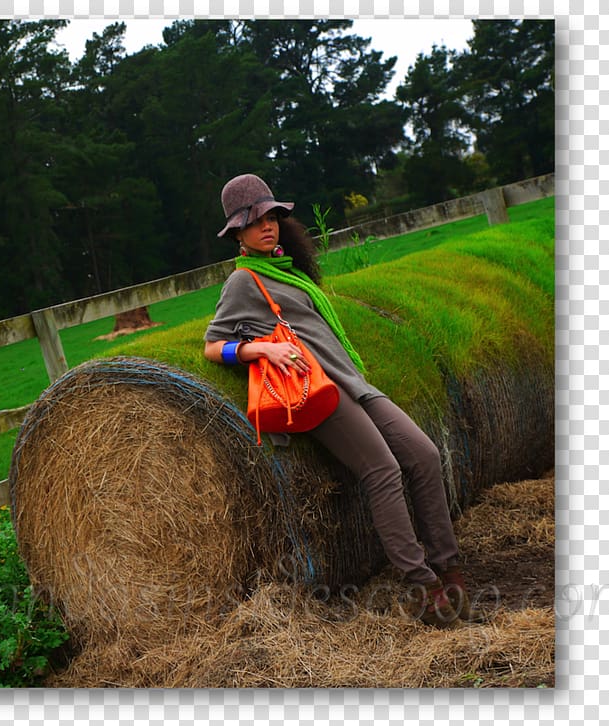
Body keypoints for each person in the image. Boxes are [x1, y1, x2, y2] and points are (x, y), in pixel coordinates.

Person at [203, 173, 483, 629]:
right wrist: (262, 349)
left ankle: (449, 571)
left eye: (271, 216)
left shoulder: (286, 269)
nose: (267, 226)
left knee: (424, 456)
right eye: (254, 222)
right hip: (317, 389)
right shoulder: (243, 282)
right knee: (382, 469)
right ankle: (424, 587)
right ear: (237, 233)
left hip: (353, 382)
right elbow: (213, 345)